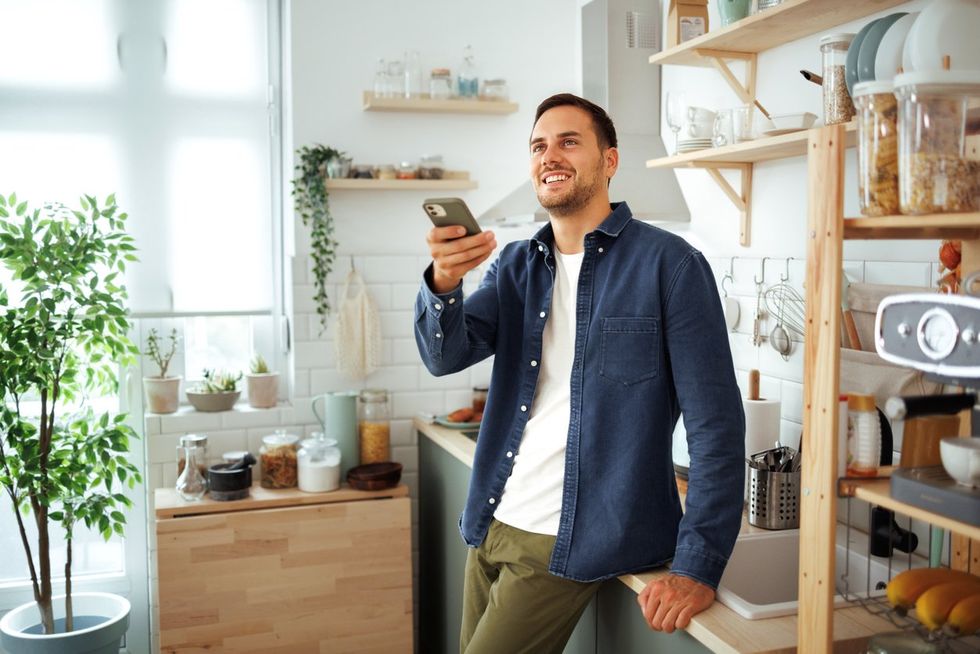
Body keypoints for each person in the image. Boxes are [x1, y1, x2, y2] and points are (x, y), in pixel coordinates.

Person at [415, 93, 745, 654]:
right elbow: (446, 355)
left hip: (568, 540)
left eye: (570, 141)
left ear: (609, 161)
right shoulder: (516, 264)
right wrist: (444, 282)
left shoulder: (672, 265)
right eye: (539, 145)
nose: (551, 155)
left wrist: (699, 565)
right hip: (490, 521)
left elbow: (716, 427)